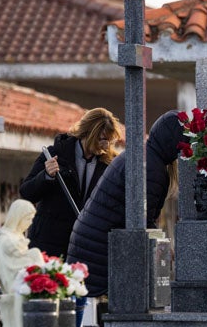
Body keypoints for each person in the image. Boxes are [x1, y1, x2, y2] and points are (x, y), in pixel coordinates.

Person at [67, 111, 185, 302]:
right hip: (99, 244)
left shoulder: (143, 156)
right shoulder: (151, 168)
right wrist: (163, 243)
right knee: (79, 303)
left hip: (90, 237)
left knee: (77, 299)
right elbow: (141, 217)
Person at [19, 108, 121, 257]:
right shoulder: (55, 154)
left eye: (109, 141)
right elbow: (26, 192)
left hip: (86, 246)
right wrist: (46, 175)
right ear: (88, 133)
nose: (106, 145)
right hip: (49, 245)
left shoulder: (109, 165)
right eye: (102, 139)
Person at [0, 199, 46, 327]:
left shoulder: (16, 236)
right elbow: (9, 264)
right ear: (18, 217)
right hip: (13, 281)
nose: (30, 223)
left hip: (23, 277)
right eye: (28, 219)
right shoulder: (5, 238)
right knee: (36, 255)